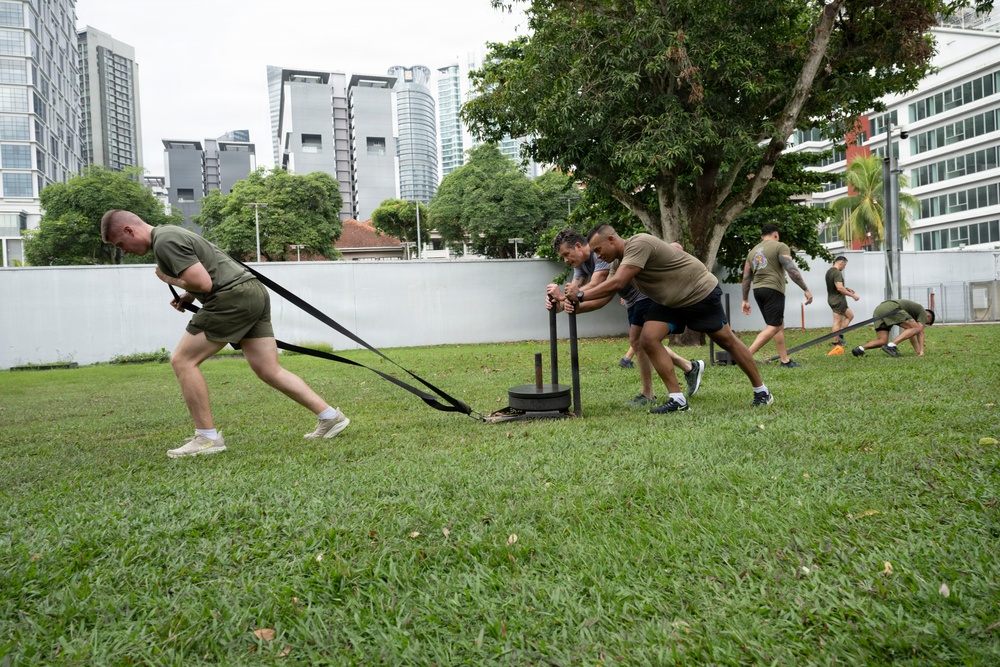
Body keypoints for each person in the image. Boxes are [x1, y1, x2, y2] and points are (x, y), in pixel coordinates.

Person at [100, 210, 350, 458]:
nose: (124, 251)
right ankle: (330, 417)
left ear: (129, 230)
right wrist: (190, 295)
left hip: (231, 298)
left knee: (183, 360)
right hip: (251, 292)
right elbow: (209, 271)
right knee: (268, 369)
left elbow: (204, 283)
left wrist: (168, 278)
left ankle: (207, 438)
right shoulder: (171, 233)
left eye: (120, 244)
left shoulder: (164, 241)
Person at [577, 224, 773, 411]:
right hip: (670, 302)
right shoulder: (617, 263)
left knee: (727, 341)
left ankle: (762, 392)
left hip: (698, 291)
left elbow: (618, 283)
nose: (598, 256)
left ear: (611, 240)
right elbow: (605, 296)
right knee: (647, 339)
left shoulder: (638, 244)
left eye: (598, 249)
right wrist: (572, 305)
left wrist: (579, 294)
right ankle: (677, 400)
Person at [546, 228, 704, 407]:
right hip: (631, 299)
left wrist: (566, 298)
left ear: (577, 246)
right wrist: (559, 304)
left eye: (566, 254)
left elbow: (598, 289)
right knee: (640, 343)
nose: (566, 260)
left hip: (644, 294)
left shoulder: (601, 255)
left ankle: (653, 392)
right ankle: (688, 367)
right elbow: (574, 293)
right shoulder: (580, 265)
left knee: (642, 341)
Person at [741, 224, 814, 367]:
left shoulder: (752, 252)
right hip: (773, 289)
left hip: (758, 290)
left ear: (762, 237)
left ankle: (785, 360)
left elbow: (746, 278)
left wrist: (745, 299)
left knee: (778, 324)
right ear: (776, 235)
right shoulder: (780, 246)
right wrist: (805, 289)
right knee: (774, 326)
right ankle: (745, 357)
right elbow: (791, 270)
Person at [852, 299, 935, 357]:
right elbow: (920, 330)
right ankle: (891, 345)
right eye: (926, 322)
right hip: (891, 308)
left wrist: (917, 350)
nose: (924, 324)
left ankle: (860, 349)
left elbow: (911, 333)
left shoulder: (913, 316)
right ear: (928, 316)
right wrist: (922, 350)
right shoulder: (922, 311)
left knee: (882, 341)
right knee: (917, 328)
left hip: (879, 310)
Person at [825, 256, 859, 346]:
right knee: (837, 322)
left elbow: (836, 286)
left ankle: (839, 334)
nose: (845, 267)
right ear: (841, 262)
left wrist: (846, 289)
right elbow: (839, 288)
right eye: (845, 265)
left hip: (834, 299)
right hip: (838, 300)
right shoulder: (837, 273)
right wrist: (853, 295)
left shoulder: (829, 272)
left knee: (850, 316)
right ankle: (835, 342)